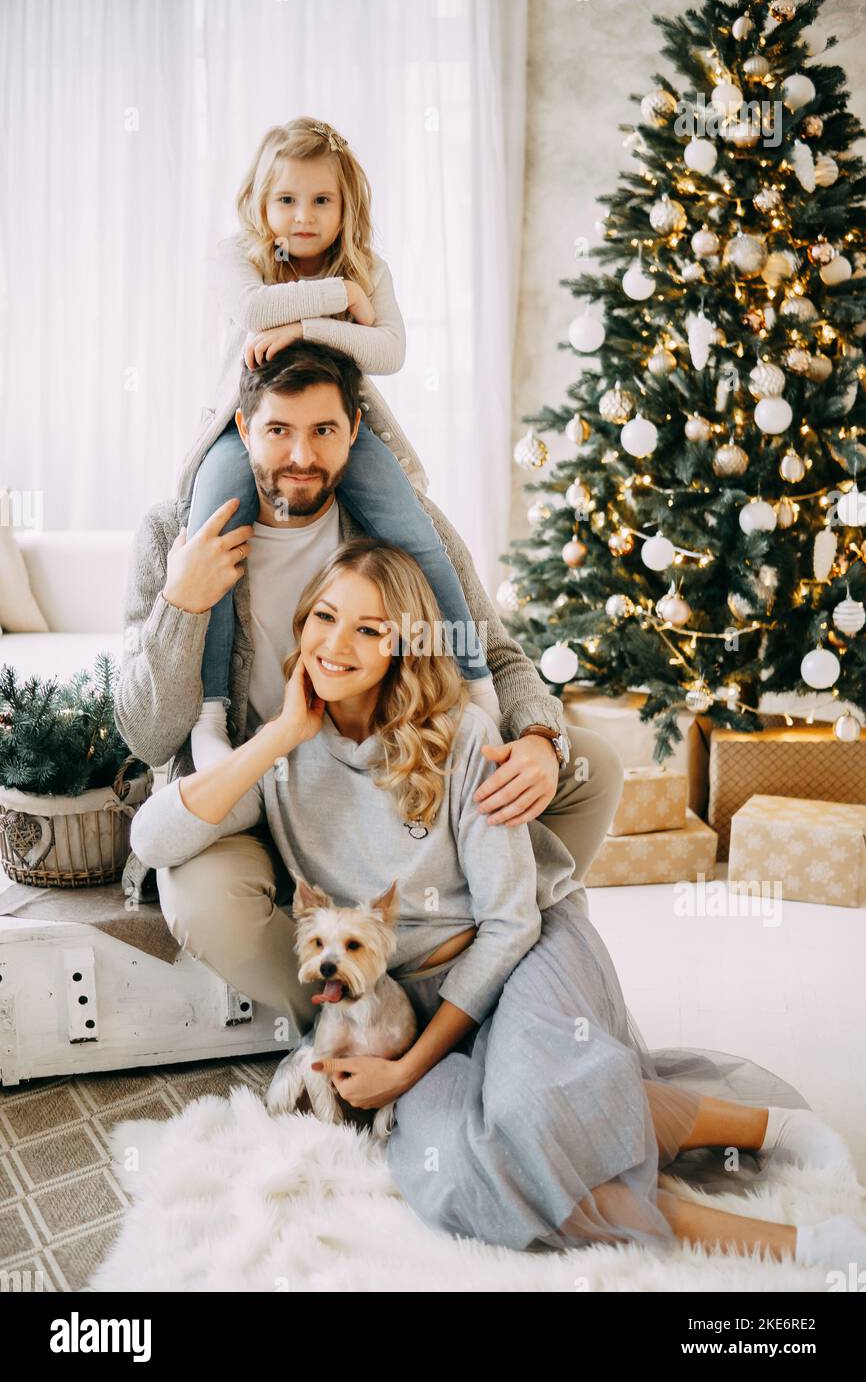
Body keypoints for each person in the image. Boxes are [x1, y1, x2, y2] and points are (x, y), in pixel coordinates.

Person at [129, 539, 864, 1266]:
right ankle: (781, 1196)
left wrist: (409, 1068)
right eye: (324, 617)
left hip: (519, 958)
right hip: (402, 1000)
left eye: (370, 628)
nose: (337, 644)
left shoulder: (464, 735)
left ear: (405, 644)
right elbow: (154, 837)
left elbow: (512, 920)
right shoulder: (278, 753)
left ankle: (784, 1179)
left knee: (535, 1113)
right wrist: (285, 732)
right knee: (462, 1171)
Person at [116, 340, 624, 1024]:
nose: (301, 456)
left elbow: (494, 653)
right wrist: (184, 603)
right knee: (206, 901)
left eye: (324, 430)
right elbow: (146, 730)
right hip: (253, 779)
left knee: (590, 765)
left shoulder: (403, 526)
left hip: (387, 770)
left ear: (355, 428)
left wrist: (535, 737)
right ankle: (355, 1015)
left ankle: (492, 938)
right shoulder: (170, 536)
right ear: (243, 430)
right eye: (278, 431)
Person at [184, 114, 498, 768]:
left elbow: (388, 350)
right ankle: (210, 714)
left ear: (346, 204)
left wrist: (306, 324)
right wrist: (336, 298)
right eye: (286, 199)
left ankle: (475, 682)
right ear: (260, 203)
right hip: (243, 430)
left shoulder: (367, 267)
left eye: (321, 199)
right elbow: (250, 313)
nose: (303, 216)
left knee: (415, 532)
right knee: (212, 536)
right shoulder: (236, 257)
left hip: (337, 429)